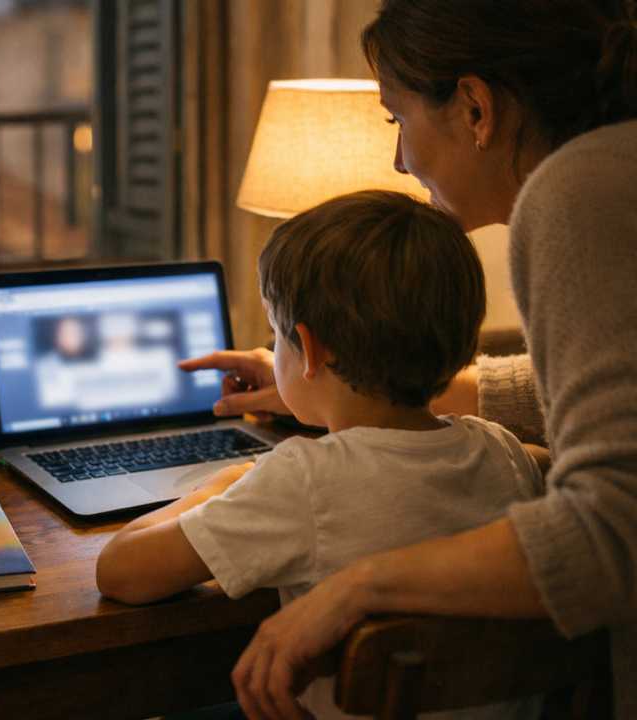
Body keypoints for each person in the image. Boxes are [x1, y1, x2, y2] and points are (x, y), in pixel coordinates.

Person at [177, 1, 637, 717]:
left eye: (396, 119)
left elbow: (614, 531)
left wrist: (358, 586)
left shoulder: (578, 192)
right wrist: (347, 374)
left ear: (476, 109)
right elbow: (571, 399)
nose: (399, 160)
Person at [97, 190, 547, 719]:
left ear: (310, 350)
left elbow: (121, 572)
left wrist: (222, 485)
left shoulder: (305, 479)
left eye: (275, 333)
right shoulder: (504, 452)